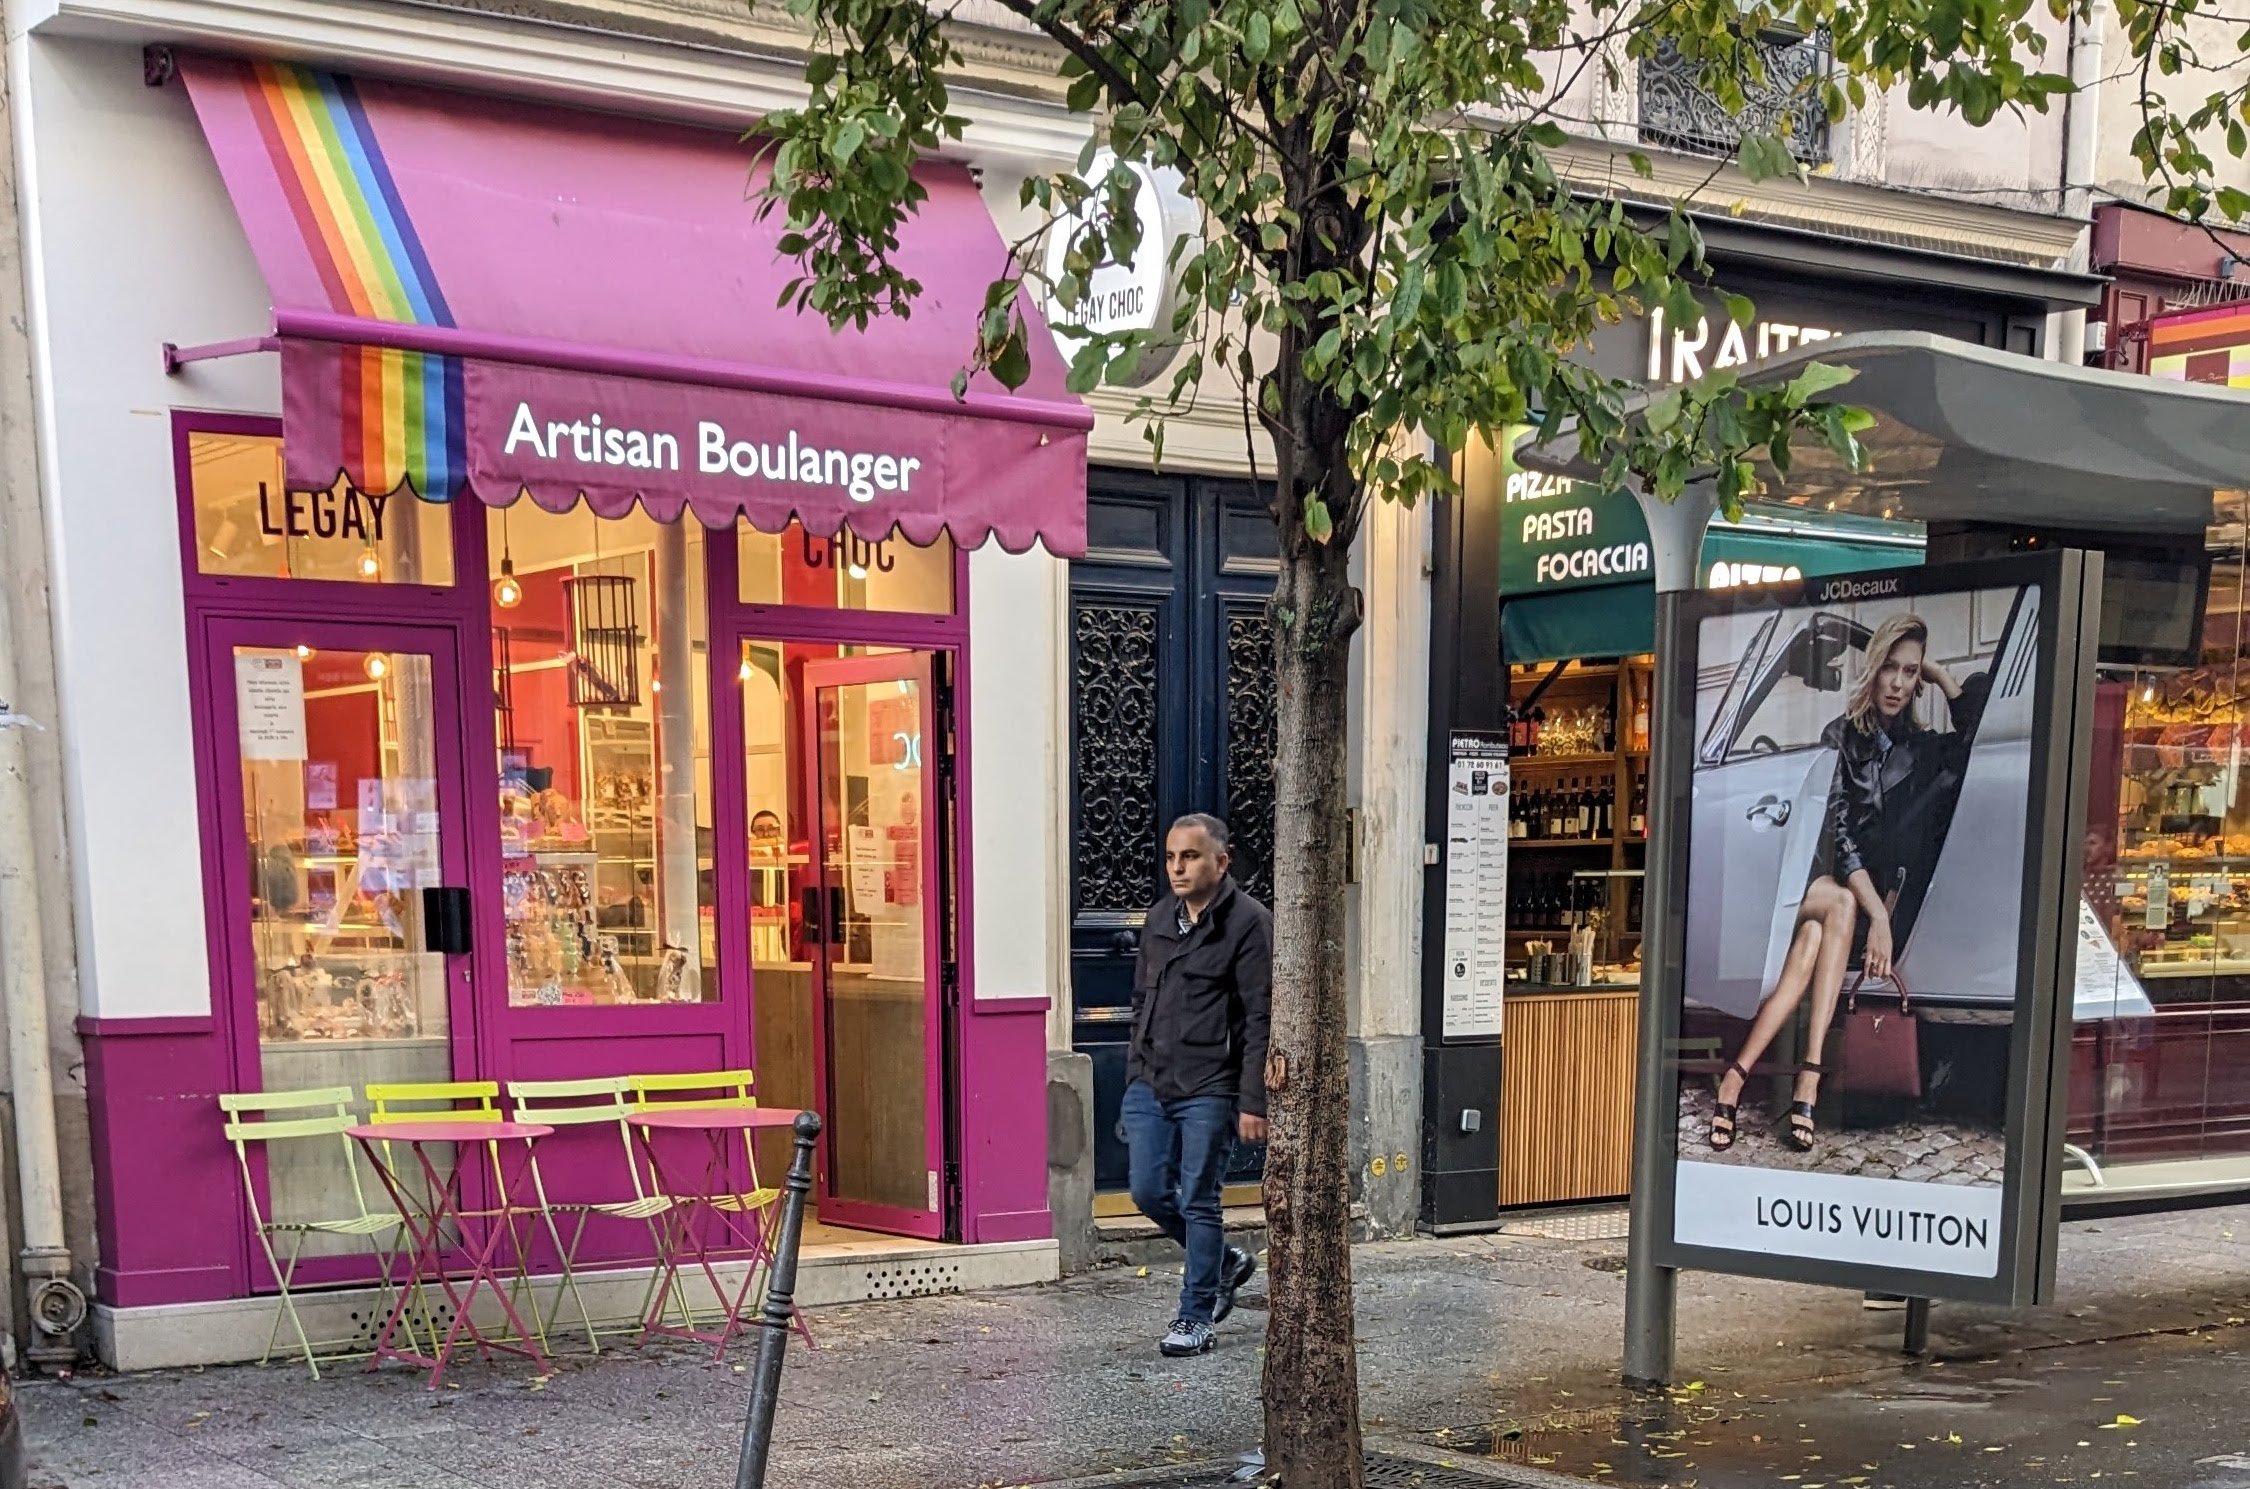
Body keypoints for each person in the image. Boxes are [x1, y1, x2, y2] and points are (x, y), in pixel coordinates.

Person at [1711, 613, 1989, 1154]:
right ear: (1874, 668)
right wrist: (1878, 918)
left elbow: (1977, 738)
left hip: (1852, 915)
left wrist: (1943, 677)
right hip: (1812, 886)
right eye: (1890, 667)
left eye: (1910, 673)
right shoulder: (1840, 738)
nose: (1898, 683)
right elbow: (1841, 841)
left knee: (1815, 941)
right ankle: (1809, 1081)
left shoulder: (1923, 749)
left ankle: (1736, 1075)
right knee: (1837, 902)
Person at [1127, 813, 1271, 1358]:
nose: (1177, 867)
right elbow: (1142, 996)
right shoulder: (1161, 917)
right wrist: (1136, 1063)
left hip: (1211, 1084)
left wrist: (1252, 1101)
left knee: (1200, 1201)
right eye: (1170, 857)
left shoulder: (1250, 923)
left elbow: (1261, 1018)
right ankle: (1226, 1263)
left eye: (1189, 856)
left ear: (1221, 861)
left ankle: (1195, 1316)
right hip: (1151, 1080)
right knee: (1145, 1189)